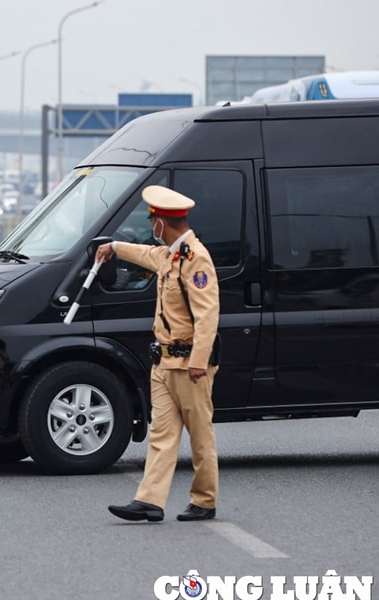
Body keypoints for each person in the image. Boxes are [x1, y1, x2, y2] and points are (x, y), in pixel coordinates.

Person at [95, 185, 221, 523]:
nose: (153, 229)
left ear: (163, 222)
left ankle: (204, 500)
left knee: (200, 436)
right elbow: (144, 254)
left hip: (189, 363)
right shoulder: (169, 255)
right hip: (163, 362)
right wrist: (114, 248)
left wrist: (198, 361)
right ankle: (150, 501)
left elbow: (208, 315)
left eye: (154, 221)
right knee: (162, 435)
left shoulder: (197, 259)